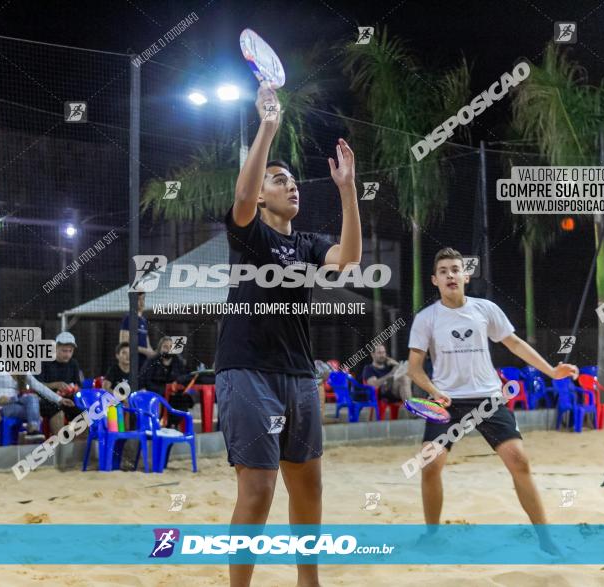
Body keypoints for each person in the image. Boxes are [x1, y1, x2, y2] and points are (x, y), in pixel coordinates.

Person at [214, 81, 362, 587]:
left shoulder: (306, 244)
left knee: (309, 488)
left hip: (299, 375)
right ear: (261, 195)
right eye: (279, 180)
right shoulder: (248, 232)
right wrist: (268, 126)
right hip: (247, 371)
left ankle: (309, 581)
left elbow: (349, 259)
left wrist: (347, 190)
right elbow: (240, 194)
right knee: (258, 492)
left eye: (295, 180)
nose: (292, 185)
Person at [407, 247, 577, 555]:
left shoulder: (485, 309)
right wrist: (433, 392)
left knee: (519, 462)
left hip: (488, 397)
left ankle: (546, 540)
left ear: (465, 276)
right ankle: (432, 535)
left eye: (455, 269)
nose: (450, 275)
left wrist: (551, 370)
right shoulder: (426, 318)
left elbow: (514, 343)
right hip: (446, 401)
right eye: (443, 271)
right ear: (435, 280)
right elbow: (414, 368)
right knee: (430, 465)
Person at [0, 372, 73, 442]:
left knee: (32, 398)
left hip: (17, 401)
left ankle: (33, 430)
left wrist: (59, 399)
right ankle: (33, 427)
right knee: (34, 410)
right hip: (1, 406)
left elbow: (38, 386)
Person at [37, 332, 84, 434]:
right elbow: (36, 386)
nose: (67, 354)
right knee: (58, 412)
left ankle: (79, 446)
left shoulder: (73, 364)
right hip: (47, 401)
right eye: (64, 351)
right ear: (56, 348)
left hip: (68, 400)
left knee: (85, 414)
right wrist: (56, 385)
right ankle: (60, 447)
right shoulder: (44, 361)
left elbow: (79, 386)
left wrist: (73, 390)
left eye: (70, 351)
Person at [119, 292, 155, 371]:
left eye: (143, 299)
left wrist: (154, 354)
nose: (142, 302)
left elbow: (148, 345)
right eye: (139, 299)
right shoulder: (128, 318)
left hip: (144, 364)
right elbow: (123, 344)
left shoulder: (144, 320)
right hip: (132, 363)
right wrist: (145, 351)